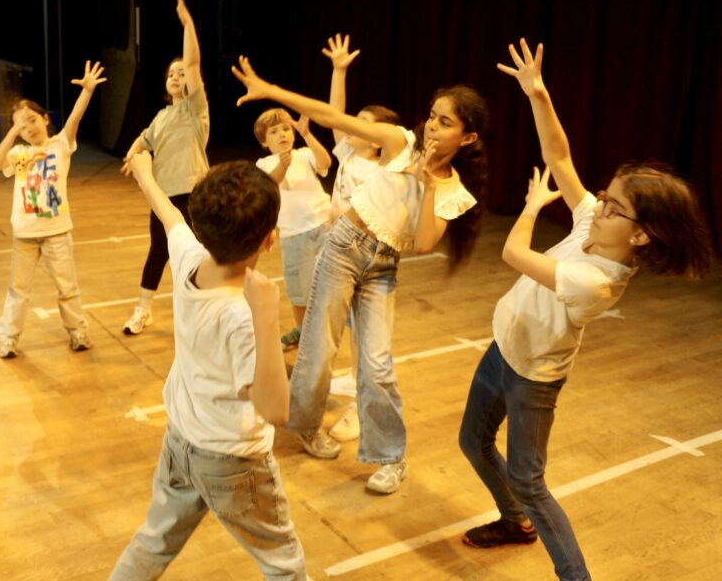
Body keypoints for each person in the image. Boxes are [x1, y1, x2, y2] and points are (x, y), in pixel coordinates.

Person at [458, 39, 712, 581]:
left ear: (641, 235)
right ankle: (512, 522)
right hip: (502, 349)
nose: (599, 205)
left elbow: (512, 254)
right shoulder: (590, 226)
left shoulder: (596, 282)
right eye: (605, 195)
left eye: (614, 207)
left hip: (534, 379)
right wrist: (538, 94)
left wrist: (528, 207)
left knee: (530, 481)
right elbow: (560, 157)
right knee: (471, 441)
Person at [232, 54, 489, 494]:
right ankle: (307, 427)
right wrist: (270, 90)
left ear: (467, 138)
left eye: (445, 123)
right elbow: (334, 116)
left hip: (383, 267)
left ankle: (389, 458)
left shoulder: (453, 191)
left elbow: (425, 243)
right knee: (318, 346)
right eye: (432, 116)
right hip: (343, 247)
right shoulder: (398, 142)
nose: (431, 127)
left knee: (377, 363)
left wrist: (428, 184)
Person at [109, 153, 307, 580]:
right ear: (269, 240)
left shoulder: (187, 259)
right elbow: (276, 410)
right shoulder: (243, 317)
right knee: (283, 563)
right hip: (232, 462)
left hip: (180, 442)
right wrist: (267, 315)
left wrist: (144, 170)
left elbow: (167, 213)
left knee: (153, 541)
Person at [0, 60, 106, 357]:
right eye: (19, 123)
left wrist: (88, 92)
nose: (26, 127)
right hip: (25, 234)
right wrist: (12, 132)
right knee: (18, 291)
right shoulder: (18, 153)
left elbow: (75, 119)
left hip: (57, 231)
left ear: (44, 118)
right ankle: (8, 339)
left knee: (68, 288)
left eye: (30, 120)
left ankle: (78, 332)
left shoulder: (59, 145)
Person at [320, 33, 402, 443]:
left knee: (367, 340)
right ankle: (353, 382)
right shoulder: (351, 155)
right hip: (339, 257)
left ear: (378, 142)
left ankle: (359, 405)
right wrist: (338, 71)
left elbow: (366, 219)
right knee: (350, 329)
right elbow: (336, 117)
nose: (351, 126)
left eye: (363, 125)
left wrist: (336, 214)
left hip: (366, 265)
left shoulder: (379, 174)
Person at [120, 0, 209, 335]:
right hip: (163, 197)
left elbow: (194, 64)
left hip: (194, 196)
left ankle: (200, 314)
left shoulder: (195, 110)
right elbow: (145, 139)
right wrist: (130, 158)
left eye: (181, 72)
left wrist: (187, 24)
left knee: (196, 255)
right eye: (171, 73)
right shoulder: (161, 116)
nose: (176, 75)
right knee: (159, 252)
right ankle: (143, 310)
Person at [251, 108, 331, 351]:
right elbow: (269, 184)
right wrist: (283, 166)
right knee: (298, 291)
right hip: (293, 235)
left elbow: (326, 162)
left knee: (329, 285)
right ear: (265, 141)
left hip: (324, 225)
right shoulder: (264, 163)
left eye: (286, 128)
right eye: (273, 132)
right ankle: (301, 331)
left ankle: (321, 334)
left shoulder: (305, 154)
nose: (282, 134)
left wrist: (307, 135)